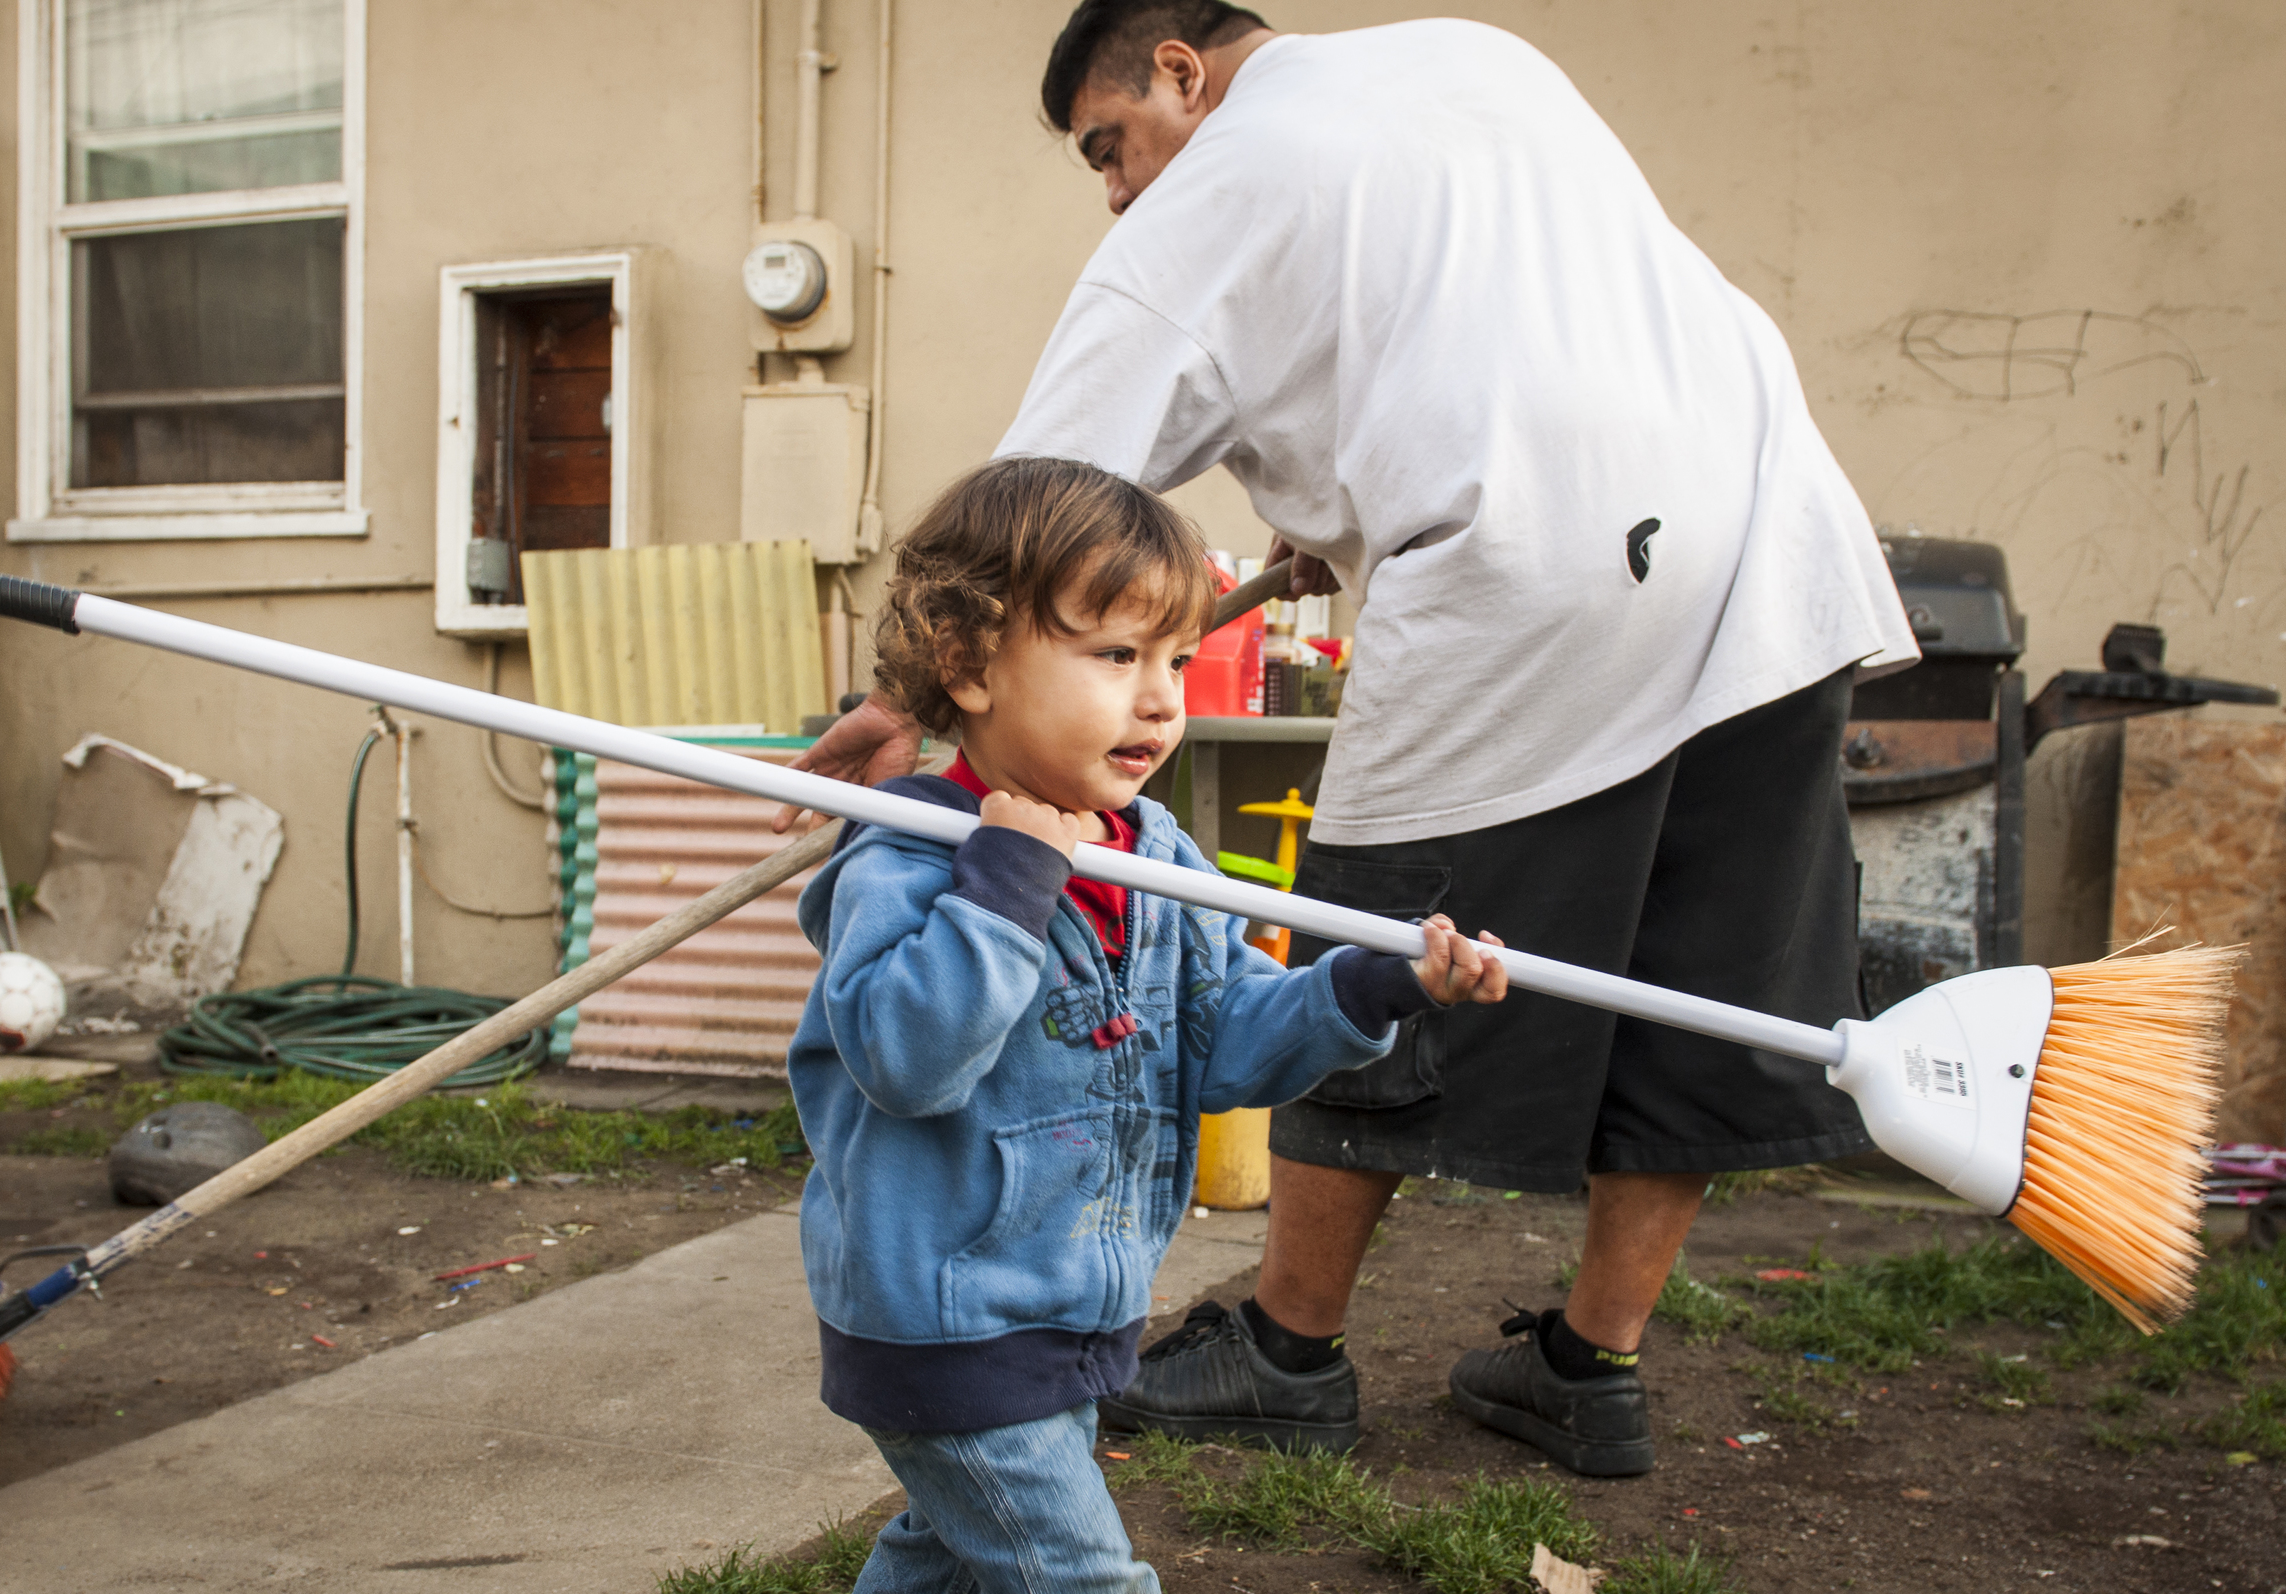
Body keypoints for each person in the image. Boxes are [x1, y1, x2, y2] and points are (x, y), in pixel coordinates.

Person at [782, 1, 1917, 1480]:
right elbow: (1485, 331)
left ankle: (1286, 1347)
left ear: (1182, 72)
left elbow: (1036, 513)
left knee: (1355, 916)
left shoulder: (1217, 185)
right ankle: (1592, 1365)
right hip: (1776, 537)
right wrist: (1337, 518)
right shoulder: (1475, 58)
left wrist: (916, 701)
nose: (1121, 191)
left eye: (1110, 147)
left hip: (1536, 559)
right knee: (1701, 977)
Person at [793, 455, 1506, 1594]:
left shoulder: (1155, 853)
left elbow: (1220, 1040)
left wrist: (1371, 985)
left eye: (1172, 659)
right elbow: (908, 1058)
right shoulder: (908, 862)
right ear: (968, 665)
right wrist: (1009, 883)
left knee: (954, 1565)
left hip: (1076, 1307)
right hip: (946, 1316)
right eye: (1114, 657)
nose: (1161, 699)